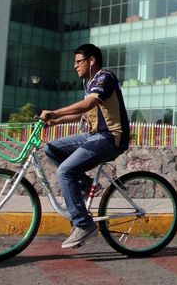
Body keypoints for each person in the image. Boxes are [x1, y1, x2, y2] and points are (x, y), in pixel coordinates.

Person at [41, 43, 130, 248]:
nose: (75, 66)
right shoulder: (89, 84)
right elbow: (82, 113)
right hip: (93, 136)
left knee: (65, 171)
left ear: (92, 61)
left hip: (110, 137)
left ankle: (83, 224)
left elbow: (87, 104)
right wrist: (55, 121)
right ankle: (86, 185)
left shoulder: (105, 77)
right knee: (51, 149)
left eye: (78, 61)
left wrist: (55, 112)